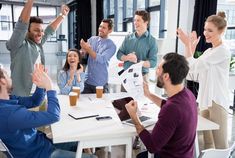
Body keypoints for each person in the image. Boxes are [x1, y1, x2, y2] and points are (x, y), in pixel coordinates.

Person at [0, 64, 96, 158]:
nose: (10, 77)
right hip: (41, 154)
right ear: (2, 81)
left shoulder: (7, 100)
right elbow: (53, 116)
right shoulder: (9, 113)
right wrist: (50, 87)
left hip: (43, 144)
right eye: (7, 74)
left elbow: (34, 101)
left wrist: (40, 85)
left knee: (78, 139)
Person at [125, 53, 198, 158]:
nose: (155, 71)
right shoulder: (188, 95)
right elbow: (169, 105)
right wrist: (149, 94)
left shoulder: (171, 109)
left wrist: (134, 118)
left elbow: (152, 146)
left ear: (166, 76)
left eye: (158, 69)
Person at [177, 11, 230, 149]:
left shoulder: (222, 51)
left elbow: (193, 65)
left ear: (221, 31)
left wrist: (188, 45)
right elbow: (190, 73)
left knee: (220, 145)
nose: (206, 33)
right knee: (207, 144)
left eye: (210, 30)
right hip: (204, 101)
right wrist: (189, 47)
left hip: (217, 102)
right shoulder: (208, 52)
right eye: (205, 29)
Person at [6, 0, 70, 96]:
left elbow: (49, 30)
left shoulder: (37, 43)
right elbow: (21, 26)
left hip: (38, 93)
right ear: (26, 31)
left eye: (41, 30)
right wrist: (30, 1)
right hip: (21, 96)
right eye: (36, 30)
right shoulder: (18, 44)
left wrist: (63, 15)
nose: (40, 33)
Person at [116, 10, 157, 80]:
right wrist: (127, 58)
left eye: (138, 20)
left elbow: (153, 63)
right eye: (134, 20)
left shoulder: (152, 41)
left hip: (142, 76)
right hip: (126, 75)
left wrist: (138, 62)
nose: (135, 23)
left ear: (146, 22)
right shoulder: (128, 38)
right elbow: (119, 54)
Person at [80, 19, 116, 93]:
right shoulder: (92, 39)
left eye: (104, 28)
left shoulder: (111, 46)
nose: (100, 29)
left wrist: (88, 49)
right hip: (87, 81)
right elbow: (84, 52)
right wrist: (82, 52)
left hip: (100, 84)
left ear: (110, 30)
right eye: (100, 26)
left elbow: (101, 59)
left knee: (101, 104)